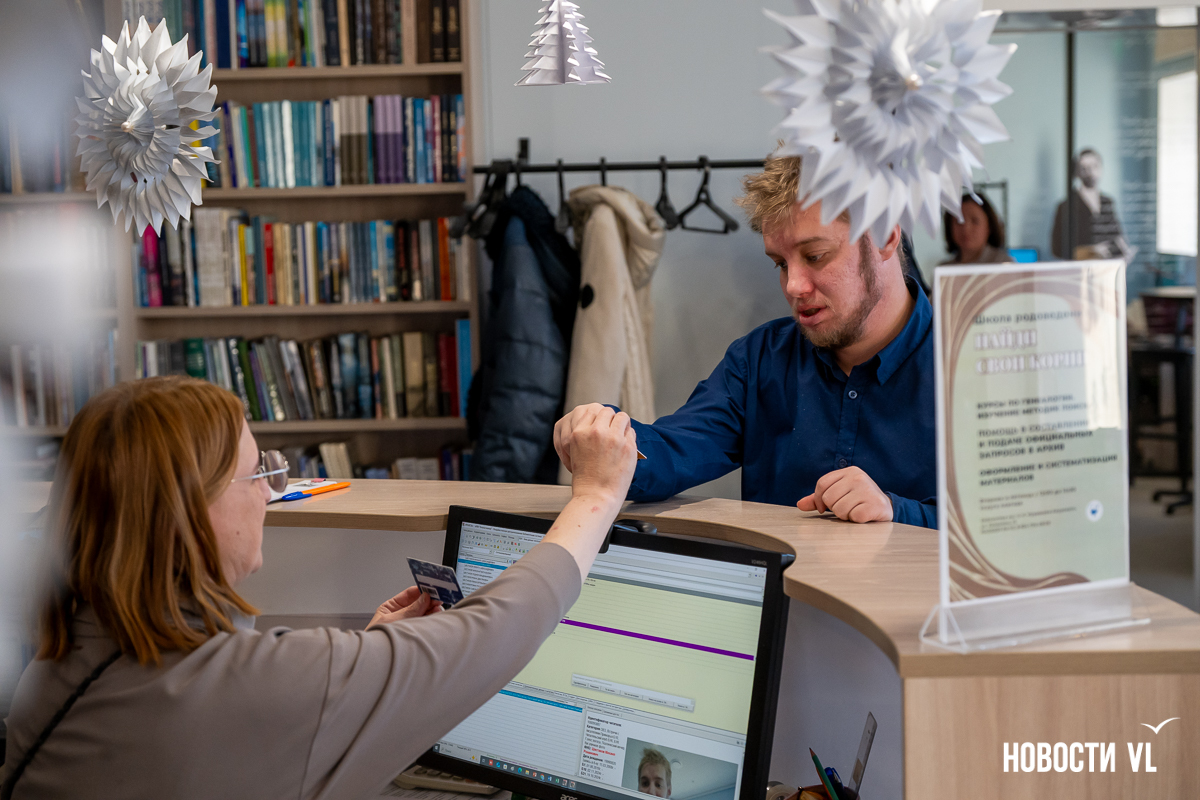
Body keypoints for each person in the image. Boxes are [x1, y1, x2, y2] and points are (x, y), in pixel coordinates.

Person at [2, 376, 637, 800]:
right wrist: (597, 496)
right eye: (257, 474)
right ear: (190, 513)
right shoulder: (250, 683)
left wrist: (356, 672)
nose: (269, 494)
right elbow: (496, 631)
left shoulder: (61, 654)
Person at [554, 153, 936, 528]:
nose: (793, 286)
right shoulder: (759, 359)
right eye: (781, 264)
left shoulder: (962, 365)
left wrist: (896, 511)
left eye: (816, 256)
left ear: (885, 238)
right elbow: (676, 450)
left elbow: (975, 529)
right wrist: (605, 434)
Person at [1051, 148, 1130, 261]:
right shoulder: (1066, 206)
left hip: (1108, 267)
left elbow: (1116, 235)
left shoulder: (1107, 202)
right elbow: (1057, 249)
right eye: (1084, 168)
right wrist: (1090, 251)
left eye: (1095, 166)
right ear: (1077, 172)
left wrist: (1123, 249)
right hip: (1082, 268)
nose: (1091, 172)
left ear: (1101, 168)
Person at [940, 192, 1013, 265]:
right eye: (959, 221)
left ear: (989, 226)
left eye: (975, 221)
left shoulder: (1004, 264)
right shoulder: (943, 268)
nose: (966, 229)